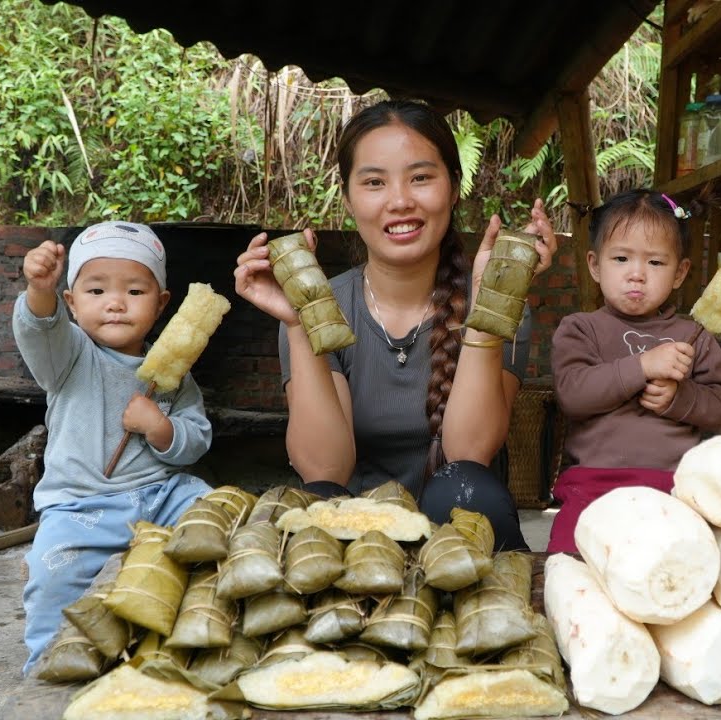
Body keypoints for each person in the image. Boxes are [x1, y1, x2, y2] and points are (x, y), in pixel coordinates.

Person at [234, 99, 559, 551]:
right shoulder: (322, 306)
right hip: (356, 546)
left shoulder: (500, 304)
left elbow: (469, 455)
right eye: (374, 182)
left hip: (461, 543)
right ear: (348, 200)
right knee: (319, 501)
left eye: (421, 177)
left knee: (465, 485)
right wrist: (296, 322)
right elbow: (324, 469)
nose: (400, 201)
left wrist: (489, 310)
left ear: (454, 188)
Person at [14, 221, 212, 675]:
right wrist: (39, 290)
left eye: (135, 292)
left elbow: (196, 438)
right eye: (97, 290)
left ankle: (193, 638)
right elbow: (40, 329)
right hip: (81, 506)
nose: (116, 303)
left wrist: (161, 428)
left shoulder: (174, 374)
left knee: (212, 509)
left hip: (159, 496)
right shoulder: (68, 356)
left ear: (161, 304)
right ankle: (47, 658)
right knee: (50, 573)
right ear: (71, 302)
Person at [547, 189, 721, 553]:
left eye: (655, 263)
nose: (636, 274)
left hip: (674, 489)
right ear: (595, 265)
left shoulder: (692, 336)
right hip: (593, 486)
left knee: (682, 568)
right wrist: (642, 365)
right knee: (567, 565)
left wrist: (681, 398)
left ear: (680, 272)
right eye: (621, 258)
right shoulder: (580, 329)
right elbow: (573, 395)